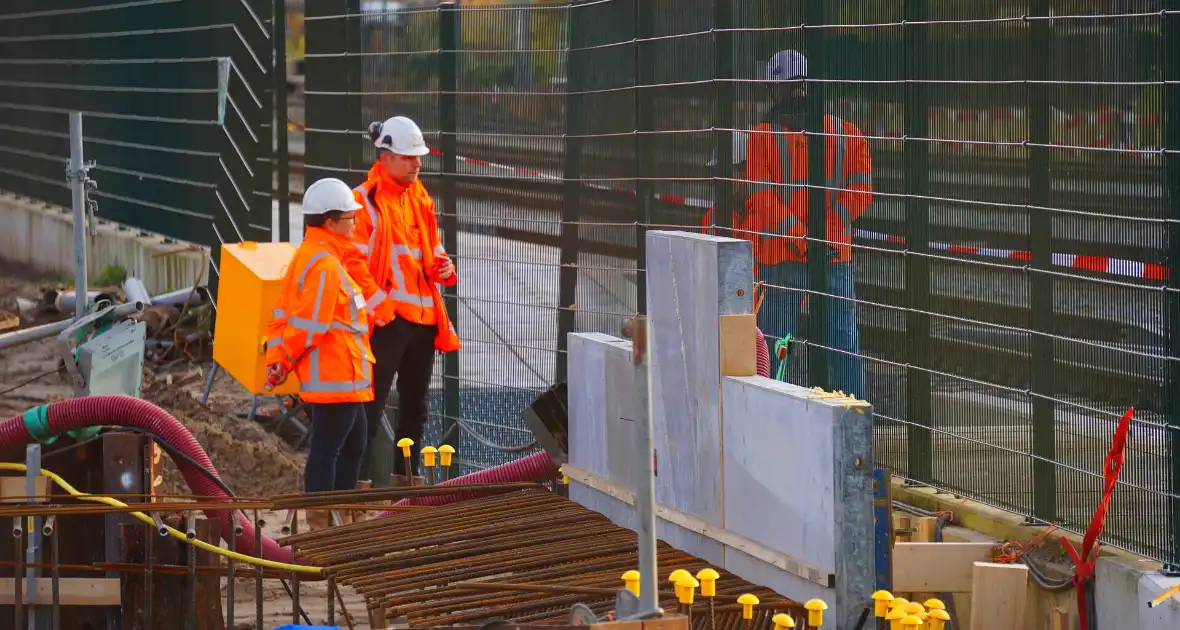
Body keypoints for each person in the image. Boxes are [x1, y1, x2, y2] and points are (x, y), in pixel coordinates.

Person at [741, 49, 874, 400]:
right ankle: (851, 423)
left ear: (774, 89)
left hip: (782, 257)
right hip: (834, 255)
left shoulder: (762, 135)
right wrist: (825, 235)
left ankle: (769, 414)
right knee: (843, 343)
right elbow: (861, 192)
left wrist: (799, 237)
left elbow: (761, 197)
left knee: (775, 343)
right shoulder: (848, 135)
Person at [350, 115, 460, 509]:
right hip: (387, 322)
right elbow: (354, 263)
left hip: (423, 321)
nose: (417, 164)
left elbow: (430, 249)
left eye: (419, 157)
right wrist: (381, 309)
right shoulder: (363, 202)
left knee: (415, 411)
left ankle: (405, 492)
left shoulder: (420, 198)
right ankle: (356, 494)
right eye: (409, 157)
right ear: (385, 157)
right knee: (369, 405)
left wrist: (443, 266)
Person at [264, 178, 381, 530]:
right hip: (334, 375)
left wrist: (278, 362)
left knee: (352, 443)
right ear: (330, 222)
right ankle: (322, 523)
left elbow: (287, 318)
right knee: (330, 449)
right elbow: (309, 326)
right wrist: (281, 364)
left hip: (343, 375)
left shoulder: (317, 257)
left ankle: (343, 514)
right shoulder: (324, 265)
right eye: (350, 218)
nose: (355, 223)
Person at [699, 130, 751, 237]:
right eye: (717, 171)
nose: (720, 178)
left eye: (724, 171)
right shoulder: (713, 218)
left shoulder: (768, 213)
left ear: (745, 170)